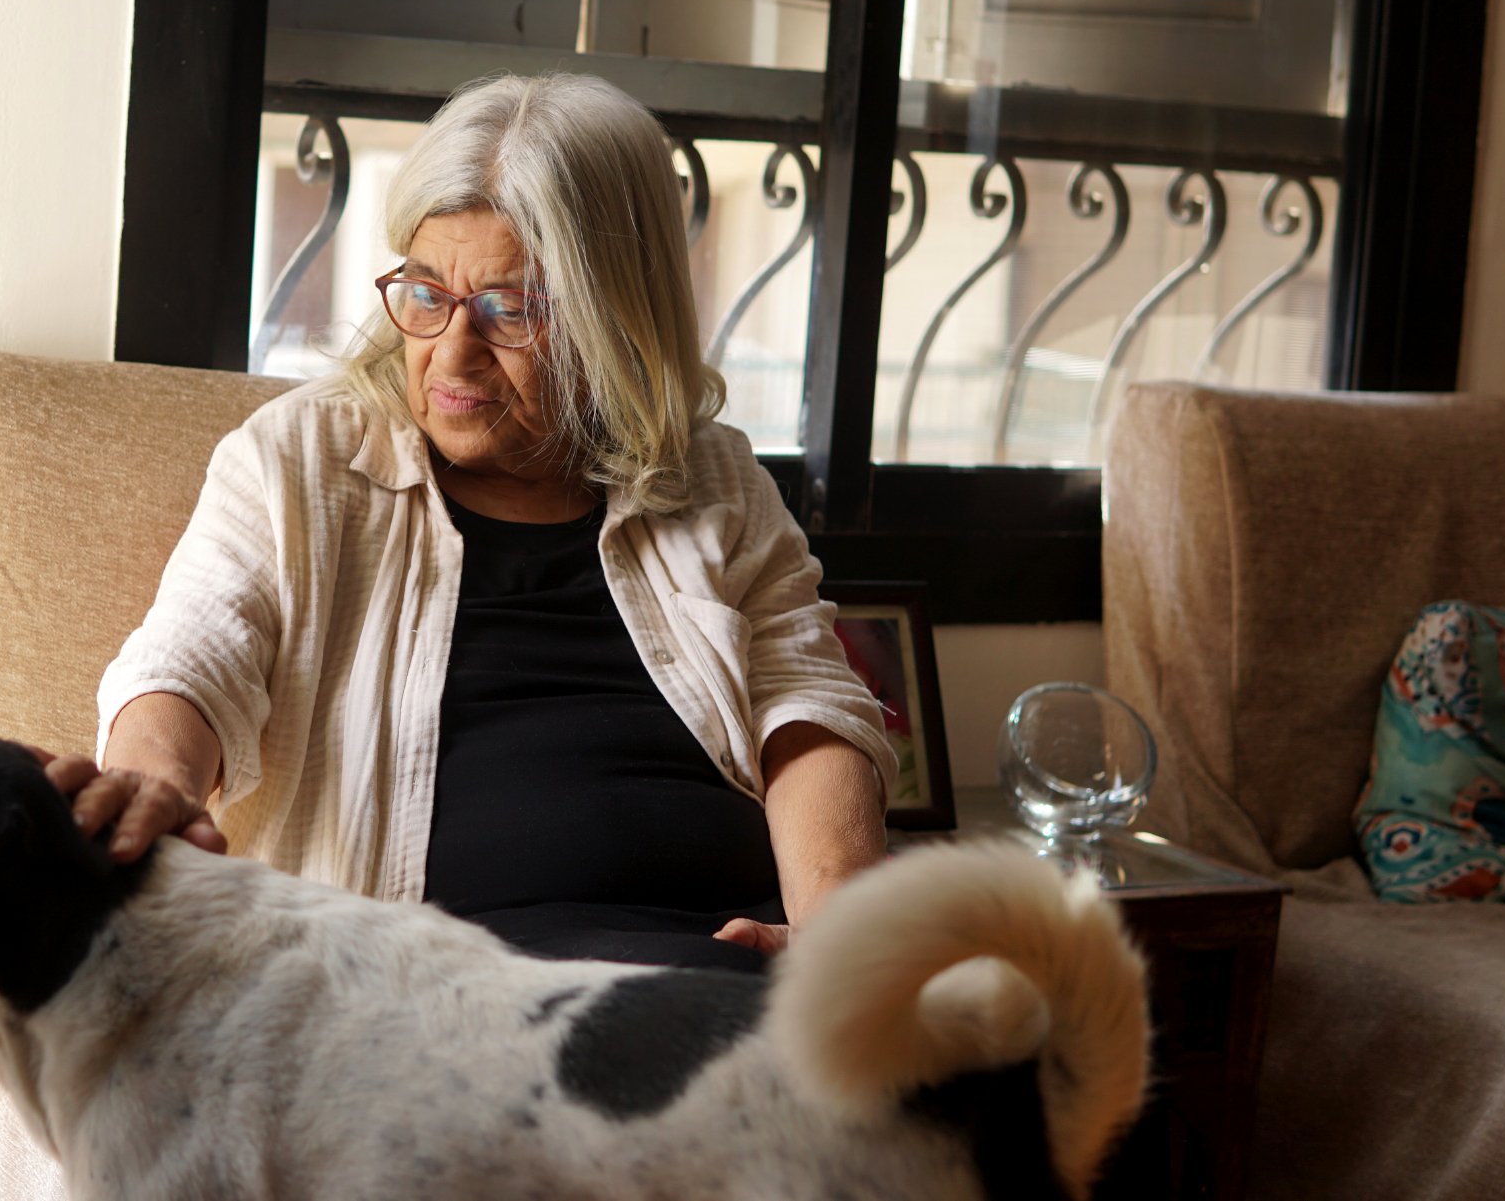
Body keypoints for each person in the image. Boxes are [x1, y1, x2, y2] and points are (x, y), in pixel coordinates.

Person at [47, 72, 896, 973]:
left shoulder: (713, 478)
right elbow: (192, 658)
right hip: (448, 994)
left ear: (615, 316)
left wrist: (839, 944)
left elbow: (809, 710)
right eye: (425, 292)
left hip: (722, 968)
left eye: (510, 307)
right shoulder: (301, 459)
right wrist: (151, 789)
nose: (452, 352)